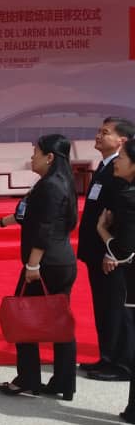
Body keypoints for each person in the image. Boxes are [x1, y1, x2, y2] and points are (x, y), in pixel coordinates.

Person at [0, 134, 78, 399]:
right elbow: (30, 215)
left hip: (46, 264)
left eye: (36, 152)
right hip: (60, 261)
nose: (32, 157)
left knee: (22, 317)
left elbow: (45, 229)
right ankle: (63, 382)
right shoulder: (58, 182)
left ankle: (27, 378)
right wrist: (1, 223)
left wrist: (33, 265)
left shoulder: (51, 186)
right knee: (60, 321)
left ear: (49, 157)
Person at [77, 117, 135, 382]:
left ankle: (120, 363)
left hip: (111, 255)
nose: (99, 136)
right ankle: (107, 356)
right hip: (96, 251)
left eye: (106, 132)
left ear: (122, 140)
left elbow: (122, 218)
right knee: (103, 307)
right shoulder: (105, 166)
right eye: (99, 131)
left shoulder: (122, 171)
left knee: (115, 308)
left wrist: (112, 252)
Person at [95, 137, 135, 423]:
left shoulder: (129, 198)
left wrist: (102, 230)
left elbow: (123, 250)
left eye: (122, 158)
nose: (117, 162)